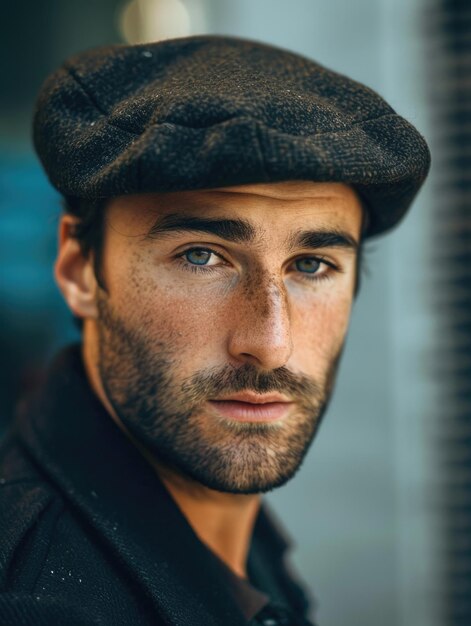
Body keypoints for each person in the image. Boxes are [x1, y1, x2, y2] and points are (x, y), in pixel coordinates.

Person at [0, 35, 430, 626]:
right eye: (202, 256)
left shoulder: (222, 531)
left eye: (312, 265)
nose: (270, 342)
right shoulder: (36, 599)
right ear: (79, 270)